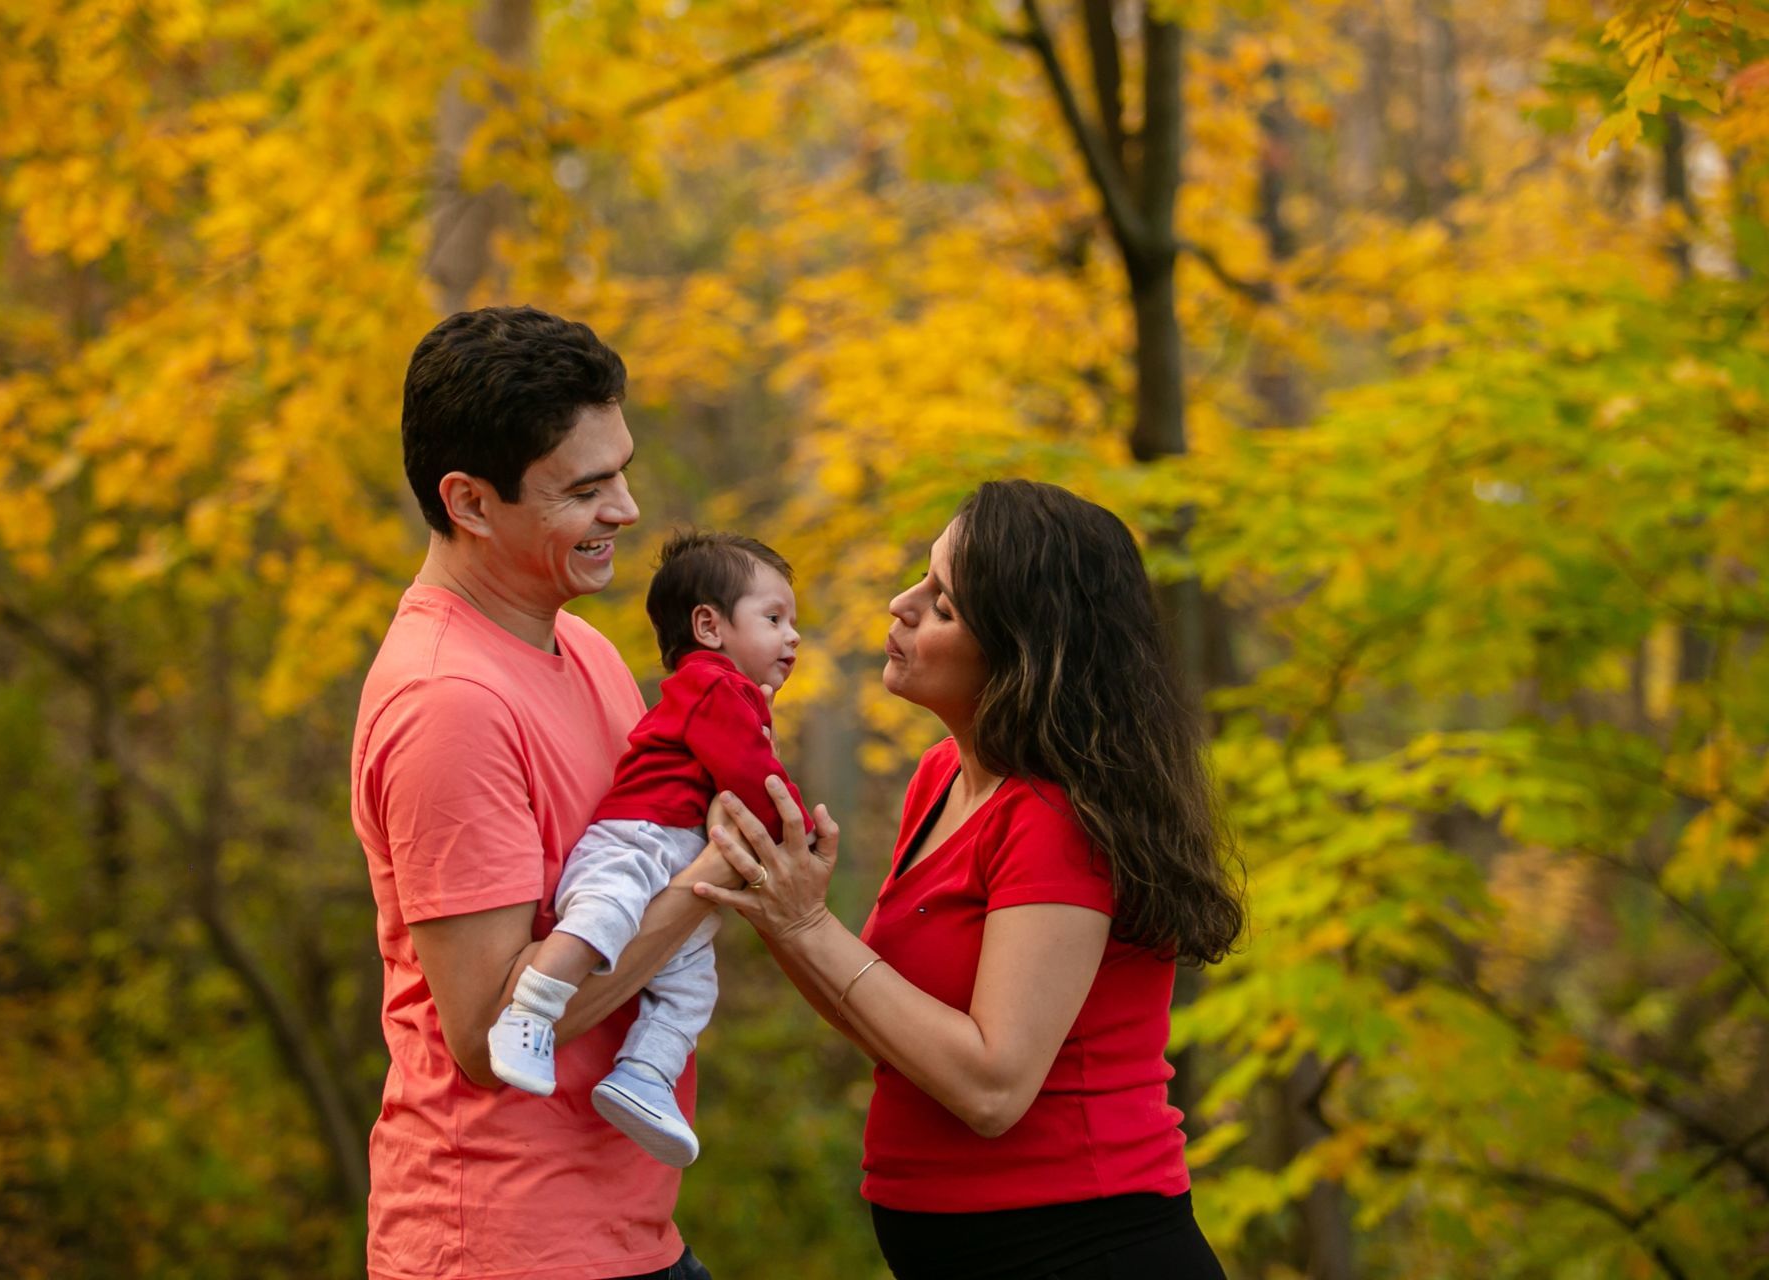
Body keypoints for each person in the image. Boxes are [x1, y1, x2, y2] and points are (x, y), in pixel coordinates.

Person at [697, 479, 1244, 1280]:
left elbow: (992, 1086)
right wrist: (781, 912)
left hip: (1085, 1248)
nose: (900, 604)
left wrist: (810, 927)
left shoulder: (1054, 819)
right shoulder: (940, 780)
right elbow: (889, 1024)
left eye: (943, 605)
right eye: (922, 579)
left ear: (1024, 653)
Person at [351, 306, 738, 1280]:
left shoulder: (589, 649)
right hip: (500, 1240)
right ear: (471, 502)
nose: (628, 509)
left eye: (624, 468)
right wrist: (712, 880)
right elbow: (487, 1035)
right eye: (587, 487)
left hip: (623, 1229)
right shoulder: (451, 702)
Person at [488, 529, 811, 1169]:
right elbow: (750, 775)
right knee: (602, 918)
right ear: (709, 626)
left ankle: (643, 1077)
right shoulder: (712, 685)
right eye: (774, 618)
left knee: (692, 985)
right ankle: (527, 1013)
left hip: (679, 852)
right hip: (637, 838)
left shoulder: (736, 694)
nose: (793, 636)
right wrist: (795, 830)